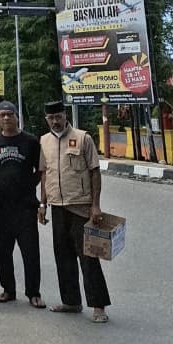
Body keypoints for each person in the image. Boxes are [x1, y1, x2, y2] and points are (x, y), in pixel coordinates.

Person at [39, 100, 110, 323]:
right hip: (57, 207)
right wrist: (42, 204)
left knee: (88, 256)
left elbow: (95, 172)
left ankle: (99, 306)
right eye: (51, 118)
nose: (55, 121)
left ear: (65, 115)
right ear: (46, 120)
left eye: (58, 116)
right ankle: (71, 301)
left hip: (81, 207)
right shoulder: (44, 141)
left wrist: (95, 205)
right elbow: (44, 174)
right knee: (63, 255)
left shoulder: (82, 137)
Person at [0, 100, 45, 308]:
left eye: (9, 114)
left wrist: (30, 188)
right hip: (1, 207)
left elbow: (40, 171)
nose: (6, 118)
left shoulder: (30, 141)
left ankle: (33, 292)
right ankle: (8, 289)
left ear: (17, 116)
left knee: (30, 251)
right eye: (1, 115)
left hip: (25, 206)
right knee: (1, 251)